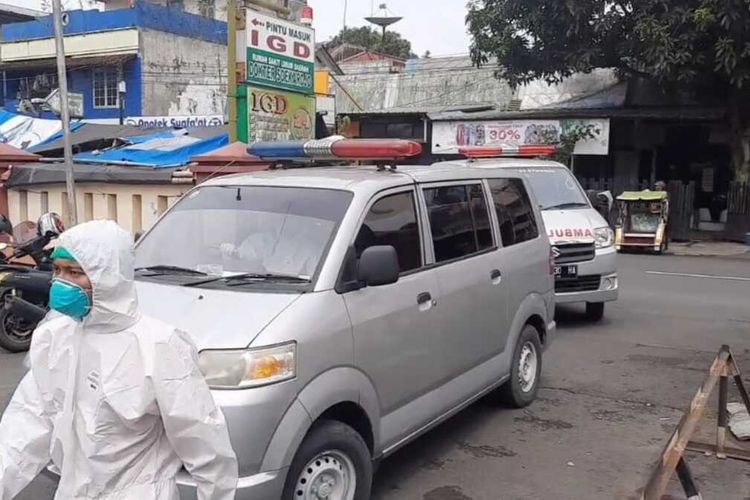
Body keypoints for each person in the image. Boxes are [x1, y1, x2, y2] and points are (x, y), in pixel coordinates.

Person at [0, 220, 238, 500]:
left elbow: (204, 443)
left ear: (108, 276)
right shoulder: (55, 339)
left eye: (75, 273)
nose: (62, 281)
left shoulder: (159, 346)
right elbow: (26, 426)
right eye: (58, 270)